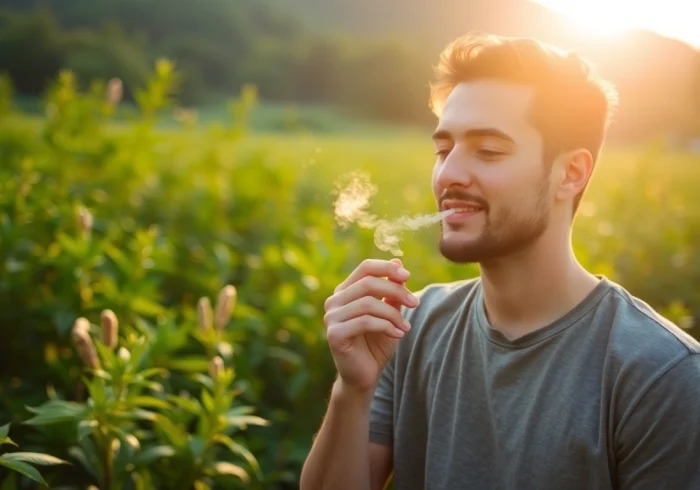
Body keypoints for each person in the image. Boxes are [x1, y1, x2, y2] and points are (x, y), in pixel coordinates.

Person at [299, 32, 700, 490]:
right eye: (443, 150)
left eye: (488, 150)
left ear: (570, 173)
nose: (448, 174)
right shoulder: (409, 328)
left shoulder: (660, 375)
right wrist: (352, 391)